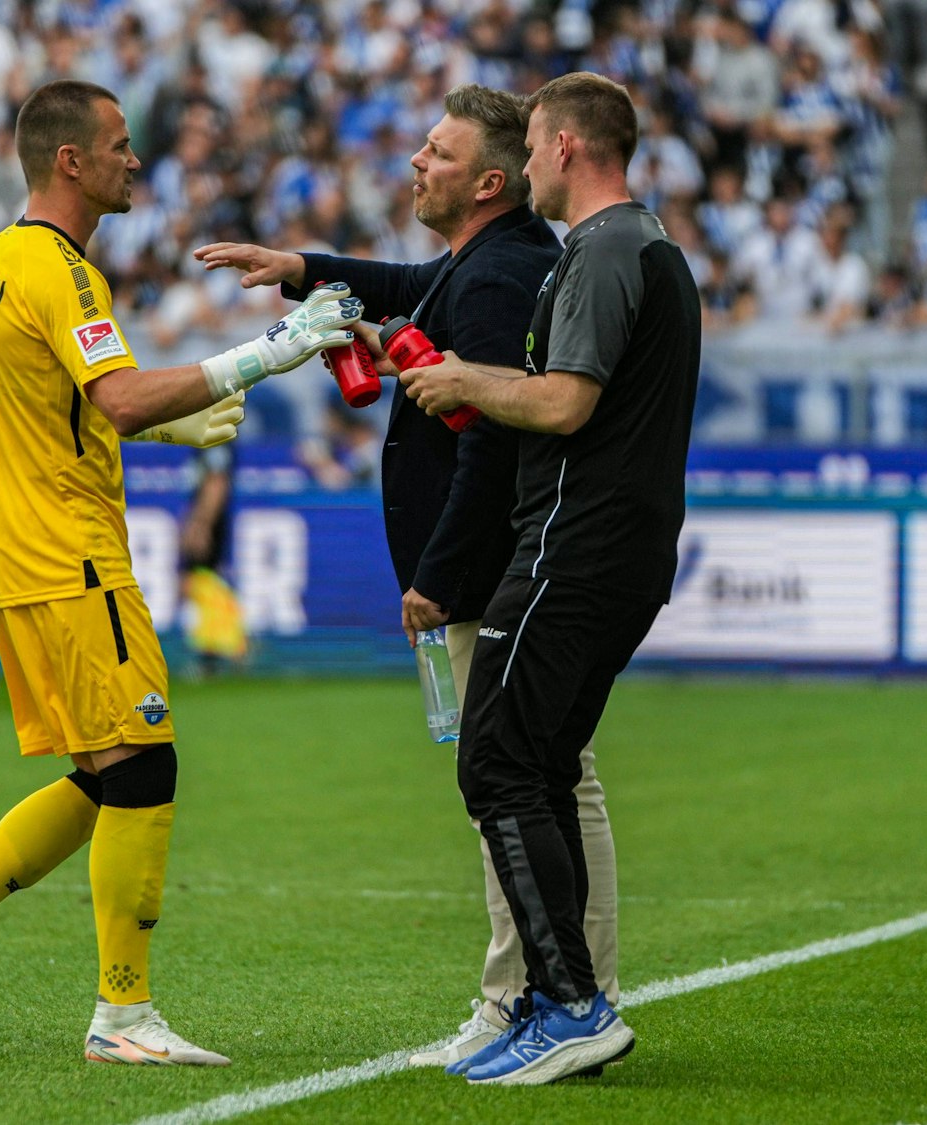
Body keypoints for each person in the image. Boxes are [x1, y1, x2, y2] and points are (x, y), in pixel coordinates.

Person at [0, 79, 361, 1067]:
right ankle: (121, 1017)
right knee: (145, 766)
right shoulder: (61, 270)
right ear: (71, 160)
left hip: (22, 559)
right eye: (120, 144)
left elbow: (67, 403)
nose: (134, 160)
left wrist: (164, 414)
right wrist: (274, 350)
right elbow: (123, 400)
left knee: (107, 776)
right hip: (72, 559)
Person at [193, 84, 618, 1071]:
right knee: (545, 778)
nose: (413, 163)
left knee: (518, 785)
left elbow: (490, 442)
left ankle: (526, 996)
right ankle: (555, 991)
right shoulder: (487, 262)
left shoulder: (498, 277)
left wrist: (435, 574)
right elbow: (403, 279)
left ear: (487, 180)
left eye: (434, 152)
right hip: (502, 566)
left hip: (488, 572)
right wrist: (298, 267)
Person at [398, 71, 701, 1086]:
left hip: (575, 545)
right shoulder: (639, 247)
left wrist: (461, 378)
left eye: (530, 144)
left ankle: (568, 1002)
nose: (524, 162)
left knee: (495, 761)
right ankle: (551, 999)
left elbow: (565, 405)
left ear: (566, 147)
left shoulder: (607, 249)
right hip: (615, 545)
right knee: (539, 764)